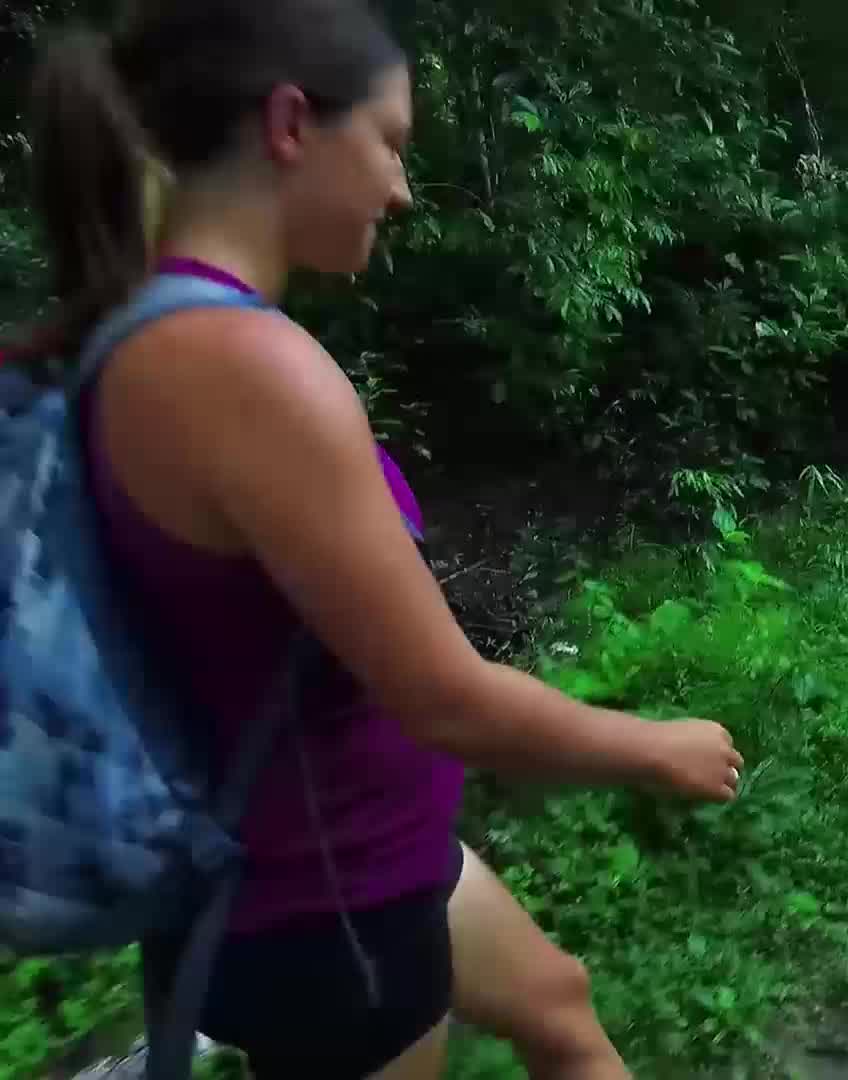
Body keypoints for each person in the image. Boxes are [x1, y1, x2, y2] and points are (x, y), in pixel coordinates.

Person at [14, 2, 746, 1077]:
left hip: (350, 856)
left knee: (558, 1007)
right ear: (289, 124)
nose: (401, 188)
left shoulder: (156, 334)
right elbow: (446, 700)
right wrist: (656, 747)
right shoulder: (239, 368)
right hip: (327, 915)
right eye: (391, 141)